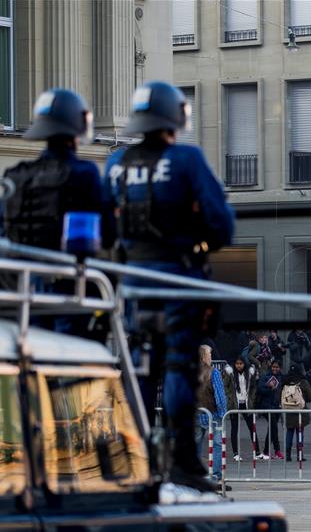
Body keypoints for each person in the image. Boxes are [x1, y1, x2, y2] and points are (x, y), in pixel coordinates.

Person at [104, 81, 234, 489]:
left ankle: (135, 457)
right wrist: (197, 244)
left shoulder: (115, 164)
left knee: (138, 368)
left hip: (132, 287)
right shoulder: (185, 159)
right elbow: (222, 225)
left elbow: (104, 228)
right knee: (178, 366)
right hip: (179, 280)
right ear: (175, 119)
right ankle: (182, 460)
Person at [2, 88, 114, 337]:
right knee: (73, 366)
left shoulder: (16, 174)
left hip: (23, 290)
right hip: (70, 289)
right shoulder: (84, 173)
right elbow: (107, 233)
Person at [195, 344, 227, 487]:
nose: (211, 357)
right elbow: (220, 396)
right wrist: (223, 414)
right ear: (204, 356)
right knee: (217, 445)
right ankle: (216, 475)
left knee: (196, 444)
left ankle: (194, 475)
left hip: (196, 414)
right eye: (210, 355)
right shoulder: (214, 373)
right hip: (213, 414)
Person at [224, 355, 260, 461]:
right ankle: (235, 453)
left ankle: (257, 452)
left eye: (241, 363)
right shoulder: (230, 373)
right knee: (234, 428)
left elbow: (253, 387)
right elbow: (225, 385)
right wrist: (230, 395)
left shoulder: (249, 373)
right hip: (235, 403)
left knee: (251, 427)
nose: (239, 366)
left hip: (246, 403)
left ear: (244, 364)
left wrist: (252, 398)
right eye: (237, 364)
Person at [282, 365, 311, 462]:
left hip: (289, 411)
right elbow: (310, 397)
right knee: (300, 433)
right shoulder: (303, 382)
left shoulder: (286, 382)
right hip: (301, 411)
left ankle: (287, 455)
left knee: (289, 432)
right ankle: (299, 455)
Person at [256, 360, 284, 460]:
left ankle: (274, 451)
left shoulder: (282, 377)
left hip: (276, 407)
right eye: (273, 367)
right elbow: (259, 389)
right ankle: (269, 451)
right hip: (266, 406)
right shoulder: (265, 376)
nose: (275, 369)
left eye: (277, 367)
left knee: (272, 428)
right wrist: (269, 387)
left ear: (280, 368)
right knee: (274, 428)